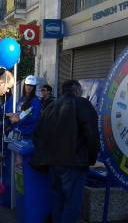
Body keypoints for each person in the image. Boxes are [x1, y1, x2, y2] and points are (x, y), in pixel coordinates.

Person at [31, 80, 100, 223]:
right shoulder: (82, 104)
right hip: (74, 163)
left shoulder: (50, 107)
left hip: (53, 163)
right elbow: (92, 134)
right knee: (72, 203)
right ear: (76, 90)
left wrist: (46, 154)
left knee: (58, 199)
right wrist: (92, 158)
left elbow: (37, 135)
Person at [7, 75, 41, 140]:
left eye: (31, 86)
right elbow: (18, 112)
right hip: (17, 130)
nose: (28, 87)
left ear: (34, 87)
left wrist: (20, 119)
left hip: (28, 134)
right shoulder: (22, 99)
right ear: (24, 85)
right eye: (27, 85)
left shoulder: (36, 101)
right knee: (12, 148)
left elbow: (34, 118)